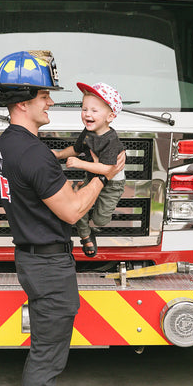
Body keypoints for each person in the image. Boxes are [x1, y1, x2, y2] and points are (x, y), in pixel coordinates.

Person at [0, 50, 125, 386]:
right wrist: (105, 175)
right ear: (22, 103)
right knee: (47, 358)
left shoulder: (8, 145)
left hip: (32, 258)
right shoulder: (31, 153)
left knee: (44, 352)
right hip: (47, 264)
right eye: (44, 96)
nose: (51, 102)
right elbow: (72, 211)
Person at [53, 82, 125, 257]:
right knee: (76, 208)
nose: (87, 114)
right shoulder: (87, 132)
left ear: (110, 116)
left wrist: (79, 164)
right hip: (92, 178)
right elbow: (76, 149)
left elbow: (107, 169)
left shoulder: (110, 140)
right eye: (84, 109)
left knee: (100, 220)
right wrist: (59, 154)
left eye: (94, 111)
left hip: (111, 184)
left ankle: (93, 221)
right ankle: (85, 235)